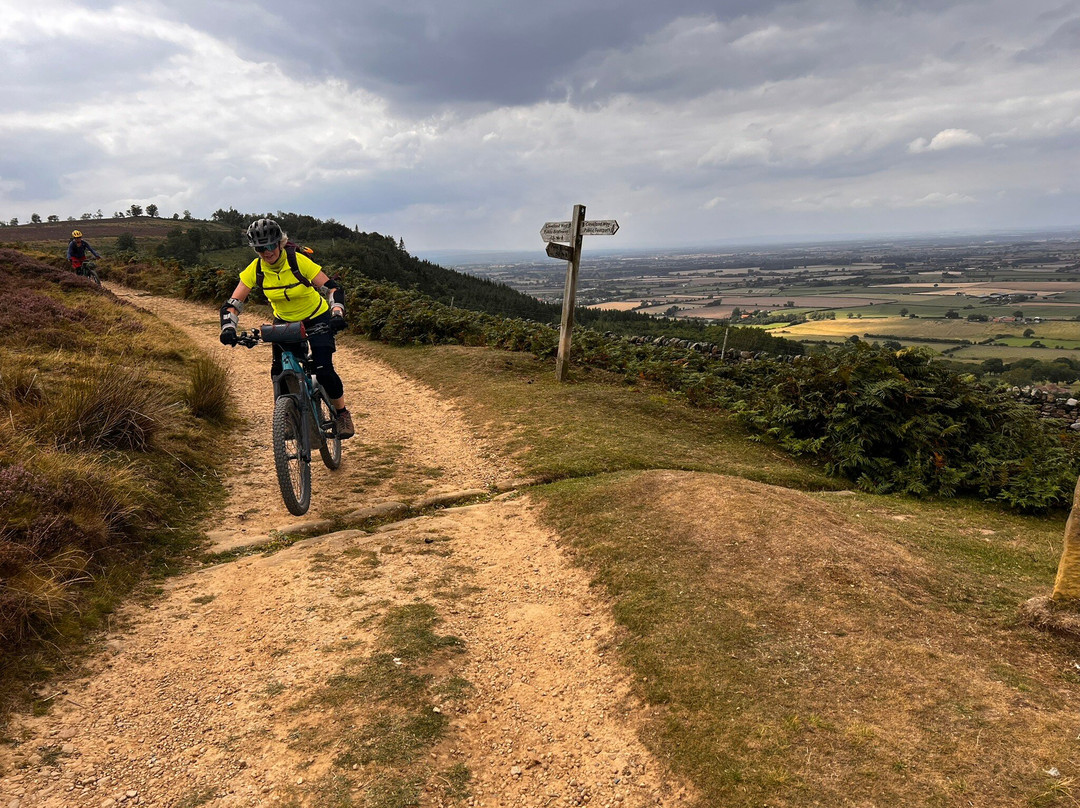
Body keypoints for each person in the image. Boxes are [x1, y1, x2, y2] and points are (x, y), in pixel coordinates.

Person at [218, 218, 354, 438]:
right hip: (285, 321)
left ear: (280, 243)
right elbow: (233, 304)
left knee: (324, 370)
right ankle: (288, 416)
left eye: (271, 245)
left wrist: (337, 312)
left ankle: (342, 414)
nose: (267, 252)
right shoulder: (256, 269)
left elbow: (332, 288)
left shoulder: (297, 261)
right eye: (260, 248)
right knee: (279, 372)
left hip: (316, 317)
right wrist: (228, 328)